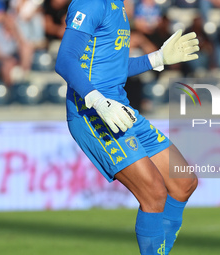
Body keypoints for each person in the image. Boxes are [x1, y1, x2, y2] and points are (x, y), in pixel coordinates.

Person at [55, 0, 199, 254]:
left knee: (183, 182)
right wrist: (98, 101)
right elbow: (65, 60)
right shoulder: (91, 4)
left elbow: (115, 68)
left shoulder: (118, 6)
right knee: (154, 194)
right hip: (93, 112)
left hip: (121, 110)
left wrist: (157, 58)